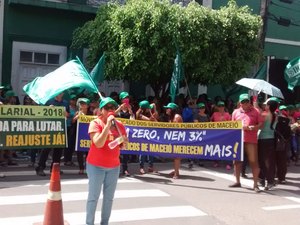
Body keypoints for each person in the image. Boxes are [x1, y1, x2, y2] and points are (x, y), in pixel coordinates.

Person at [86, 97, 128, 225]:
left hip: (113, 167)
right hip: (96, 166)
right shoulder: (95, 123)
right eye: (107, 108)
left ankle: (104, 222)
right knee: (93, 197)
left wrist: (123, 141)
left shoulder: (119, 125)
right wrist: (108, 125)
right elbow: (98, 143)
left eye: (112, 107)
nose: (110, 110)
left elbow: (123, 145)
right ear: (101, 110)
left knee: (109, 198)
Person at [230, 93, 263, 193]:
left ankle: (255, 184)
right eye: (243, 102)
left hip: (251, 139)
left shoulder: (256, 111)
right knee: (236, 161)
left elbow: (261, 124)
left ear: (249, 102)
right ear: (240, 103)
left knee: (253, 161)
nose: (245, 103)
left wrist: (254, 127)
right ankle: (237, 181)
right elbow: (232, 125)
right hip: (238, 139)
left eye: (247, 101)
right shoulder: (235, 112)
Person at [35, 92, 70, 176]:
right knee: (46, 149)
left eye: (61, 92)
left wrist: (66, 114)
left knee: (58, 150)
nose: (59, 94)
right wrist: (48, 109)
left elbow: (68, 114)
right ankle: (40, 167)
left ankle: (54, 168)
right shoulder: (48, 101)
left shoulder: (65, 103)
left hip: (60, 129)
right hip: (49, 129)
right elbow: (40, 112)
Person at [258, 98, 278, 190]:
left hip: (263, 139)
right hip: (272, 139)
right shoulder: (276, 115)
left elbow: (260, 126)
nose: (265, 106)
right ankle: (270, 180)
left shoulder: (264, 114)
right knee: (270, 160)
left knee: (262, 160)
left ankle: (263, 179)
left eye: (266, 105)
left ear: (269, 106)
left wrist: (257, 108)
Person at [115, 91, 135, 176]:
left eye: (127, 98)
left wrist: (130, 110)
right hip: (117, 132)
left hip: (126, 133)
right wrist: (120, 108)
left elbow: (133, 120)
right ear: (121, 99)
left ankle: (125, 169)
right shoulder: (117, 107)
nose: (126, 99)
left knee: (125, 151)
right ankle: (116, 167)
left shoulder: (130, 107)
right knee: (117, 151)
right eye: (124, 98)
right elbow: (113, 115)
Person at [72, 97, 93, 174]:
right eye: (81, 104)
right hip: (79, 135)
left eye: (84, 104)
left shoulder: (91, 113)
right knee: (79, 152)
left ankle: (88, 168)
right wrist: (76, 118)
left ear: (87, 105)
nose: (82, 105)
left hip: (88, 135)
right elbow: (73, 121)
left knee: (89, 153)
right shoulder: (77, 113)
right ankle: (81, 168)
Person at [136, 100, 157, 174]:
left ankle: (150, 166)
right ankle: (141, 167)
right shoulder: (139, 114)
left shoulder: (148, 113)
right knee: (143, 152)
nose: (149, 109)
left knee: (151, 150)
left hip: (150, 135)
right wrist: (152, 114)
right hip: (142, 135)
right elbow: (150, 120)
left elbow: (155, 120)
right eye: (148, 108)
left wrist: (154, 109)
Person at [163, 103, 183, 179]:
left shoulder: (177, 117)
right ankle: (176, 171)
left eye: (168, 108)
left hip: (178, 139)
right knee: (175, 156)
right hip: (173, 139)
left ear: (172, 110)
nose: (166, 109)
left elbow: (178, 129)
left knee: (177, 157)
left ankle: (176, 174)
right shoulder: (170, 118)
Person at [210, 100, 232, 169]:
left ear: (224, 107)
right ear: (217, 107)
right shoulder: (214, 114)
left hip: (225, 134)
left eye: (222, 106)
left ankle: (228, 163)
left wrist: (225, 121)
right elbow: (210, 121)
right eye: (219, 106)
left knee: (227, 148)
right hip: (217, 133)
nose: (221, 107)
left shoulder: (227, 114)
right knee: (217, 148)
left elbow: (231, 124)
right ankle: (216, 162)